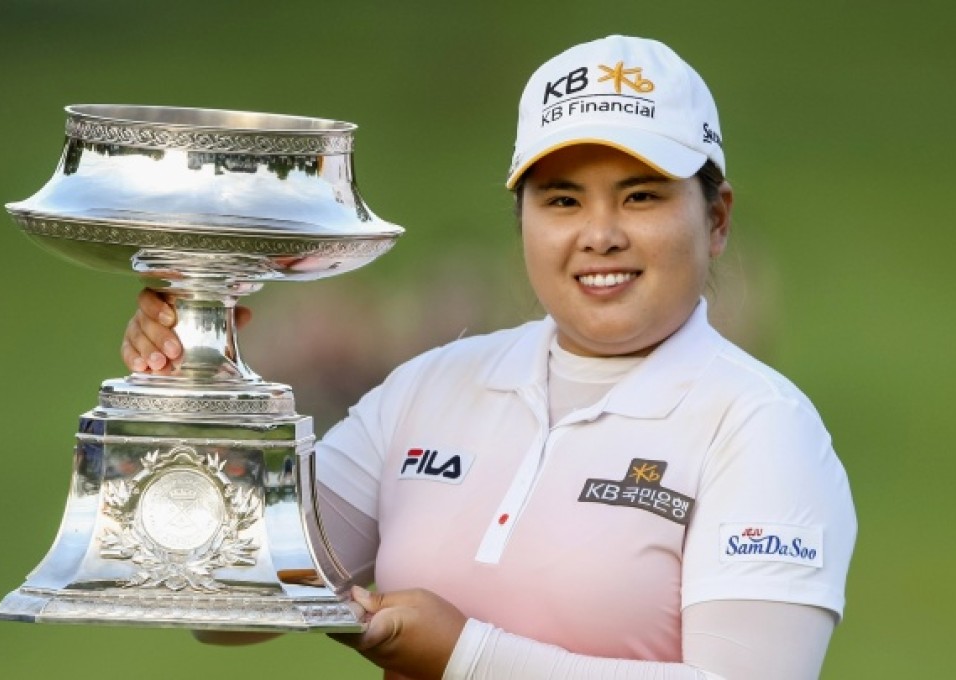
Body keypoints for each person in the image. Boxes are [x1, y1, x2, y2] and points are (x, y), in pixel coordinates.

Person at [122, 35, 857, 680]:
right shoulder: (431, 387)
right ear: (524, 219)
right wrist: (196, 376)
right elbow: (229, 604)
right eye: (562, 201)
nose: (599, 235)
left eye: (639, 198)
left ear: (716, 217)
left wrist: (467, 658)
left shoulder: (762, 429)